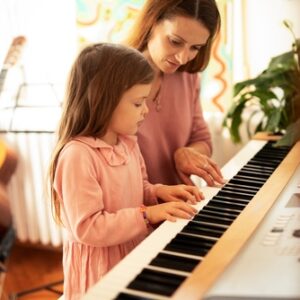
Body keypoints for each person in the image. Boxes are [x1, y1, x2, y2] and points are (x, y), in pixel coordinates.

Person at [48, 43, 204, 300]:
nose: (145, 110)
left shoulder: (128, 143)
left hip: (132, 249)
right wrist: (148, 215)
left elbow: (138, 188)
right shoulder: (77, 155)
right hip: (99, 269)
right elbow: (88, 227)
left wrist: (160, 193)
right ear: (104, 100)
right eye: (138, 103)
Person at [125, 0, 226, 187]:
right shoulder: (111, 77)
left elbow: (201, 139)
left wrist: (187, 153)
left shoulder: (189, 78)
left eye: (195, 47)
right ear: (151, 22)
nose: (183, 58)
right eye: (175, 41)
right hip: (132, 212)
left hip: (179, 208)